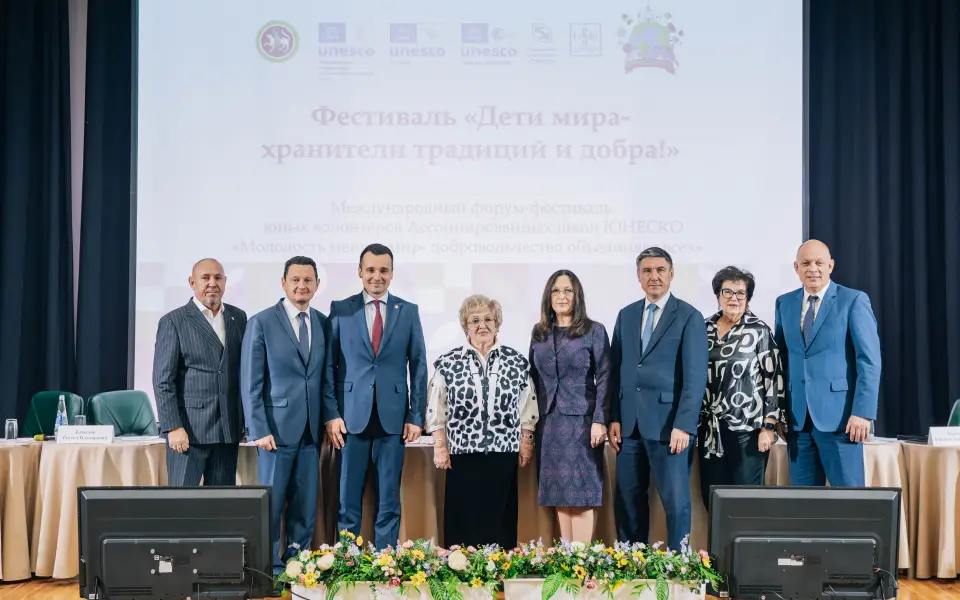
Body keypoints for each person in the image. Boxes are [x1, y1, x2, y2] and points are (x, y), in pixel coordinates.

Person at [322, 243, 428, 550]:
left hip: (393, 419)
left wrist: (416, 416)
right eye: (370, 270)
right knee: (347, 500)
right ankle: (347, 560)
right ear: (360, 272)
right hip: (349, 420)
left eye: (383, 270)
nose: (376, 276)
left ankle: (386, 562)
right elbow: (327, 367)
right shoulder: (341, 309)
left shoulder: (408, 311)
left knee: (389, 501)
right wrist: (331, 414)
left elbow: (419, 367)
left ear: (392, 274)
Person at [609, 247, 708, 552]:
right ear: (638, 276)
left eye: (660, 270)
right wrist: (614, 416)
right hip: (629, 427)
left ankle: (679, 565)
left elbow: (695, 378)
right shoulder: (626, 315)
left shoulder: (689, 316)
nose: (654, 276)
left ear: (671, 274)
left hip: (670, 427)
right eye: (647, 271)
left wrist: (684, 425)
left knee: (676, 502)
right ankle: (631, 563)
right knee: (628, 501)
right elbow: (616, 370)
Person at [240, 256, 327, 586]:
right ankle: (269, 573)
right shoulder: (261, 322)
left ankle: (297, 568)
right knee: (272, 507)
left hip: (310, 432)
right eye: (296, 280)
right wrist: (258, 429)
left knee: (304, 508)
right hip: (274, 433)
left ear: (317, 285)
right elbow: (251, 382)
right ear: (283, 283)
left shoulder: (323, 322)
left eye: (308, 280)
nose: (302, 286)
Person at [427, 294, 538, 549]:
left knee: (500, 521)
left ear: (497, 324)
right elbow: (436, 405)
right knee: (464, 521)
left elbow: (528, 404)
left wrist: (527, 440)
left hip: (503, 452)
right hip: (462, 455)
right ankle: (461, 568)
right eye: (475, 320)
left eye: (488, 319)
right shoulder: (448, 362)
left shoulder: (515, 361)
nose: (482, 325)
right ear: (465, 326)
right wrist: (440, 445)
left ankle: (499, 569)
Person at [774, 240, 881, 487]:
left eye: (819, 263)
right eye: (806, 263)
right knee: (804, 503)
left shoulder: (853, 300)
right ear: (796, 268)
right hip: (797, 421)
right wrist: (780, 412)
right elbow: (780, 362)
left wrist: (863, 412)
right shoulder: (784, 303)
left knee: (849, 500)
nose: (813, 268)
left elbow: (869, 361)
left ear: (830, 266)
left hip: (841, 420)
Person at [528, 270, 611, 543]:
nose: (561, 296)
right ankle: (567, 558)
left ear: (577, 296)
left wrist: (600, 420)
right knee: (560, 494)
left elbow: (605, 377)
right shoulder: (539, 333)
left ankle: (582, 559)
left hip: (582, 424)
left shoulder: (594, 331)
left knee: (583, 494)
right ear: (548, 296)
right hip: (549, 423)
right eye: (556, 290)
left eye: (568, 290)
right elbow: (532, 380)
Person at [153, 258, 247, 486]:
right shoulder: (174, 321)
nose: (212, 283)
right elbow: (163, 381)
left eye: (218, 278)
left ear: (225, 281)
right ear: (192, 282)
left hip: (228, 431)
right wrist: (173, 427)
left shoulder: (239, 317)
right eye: (205, 278)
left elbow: (241, 373)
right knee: (182, 503)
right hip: (188, 433)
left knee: (222, 503)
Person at [698, 266, 784, 511]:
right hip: (710, 430)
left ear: (748, 297)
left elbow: (774, 380)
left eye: (740, 293)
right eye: (727, 292)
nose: (733, 298)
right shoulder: (703, 328)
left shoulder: (759, 330)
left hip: (748, 430)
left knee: (746, 500)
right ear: (718, 295)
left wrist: (768, 427)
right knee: (712, 498)